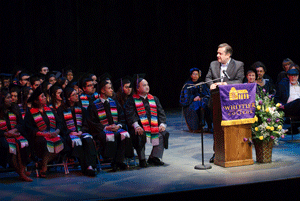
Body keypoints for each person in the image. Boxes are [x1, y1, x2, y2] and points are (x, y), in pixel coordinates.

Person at [205, 43, 244, 163]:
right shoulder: (213, 64)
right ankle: (217, 153)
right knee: (217, 129)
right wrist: (211, 84)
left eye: (220, 53)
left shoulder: (238, 65)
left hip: (231, 103)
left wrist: (226, 84)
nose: (217, 55)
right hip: (216, 102)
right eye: (217, 53)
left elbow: (239, 81)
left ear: (228, 55)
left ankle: (233, 152)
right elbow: (208, 78)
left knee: (231, 129)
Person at [125, 76, 168, 167]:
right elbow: (130, 114)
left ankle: (153, 157)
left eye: (147, 84)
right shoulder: (132, 100)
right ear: (137, 88)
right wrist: (136, 126)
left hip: (153, 126)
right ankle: (142, 159)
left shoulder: (154, 99)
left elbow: (161, 112)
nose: (147, 87)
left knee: (163, 133)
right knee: (140, 134)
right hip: (140, 127)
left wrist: (162, 124)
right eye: (144, 85)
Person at [87, 79, 130, 171]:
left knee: (124, 134)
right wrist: (106, 127)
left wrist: (118, 126)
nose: (112, 90)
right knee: (110, 136)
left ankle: (118, 161)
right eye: (109, 88)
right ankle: (111, 161)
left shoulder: (114, 102)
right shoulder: (94, 105)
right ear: (102, 90)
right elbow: (92, 123)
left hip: (115, 128)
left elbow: (122, 118)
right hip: (101, 131)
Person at [24, 86, 64, 178]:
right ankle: (44, 166)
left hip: (53, 134)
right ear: (36, 101)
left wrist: (57, 131)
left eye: (44, 96)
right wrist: (43, 134)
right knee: (45, 142)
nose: (45, 98)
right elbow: (29, 128)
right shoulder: (30, 113)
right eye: (42, 96)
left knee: (61, 140)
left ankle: (43, 163)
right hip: (39, 137)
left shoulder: (50, 110)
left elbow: (59, 123)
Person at [57, 87, 97, 176]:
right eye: (74, 95)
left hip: (80, 133)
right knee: (78, 142)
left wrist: (81, 131)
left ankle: (91, 166)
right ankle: (85, 168)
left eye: (77, 94)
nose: (77, 96)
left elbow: (86, 123)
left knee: (88, 140)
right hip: (69, 135)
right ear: (68, 98)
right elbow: (61, 125)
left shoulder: (81, 108)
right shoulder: (61, 110)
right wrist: (70, 132)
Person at [0, 90, 32, 182]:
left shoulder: (15, 108)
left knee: (23, 143)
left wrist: (14, 130)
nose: (11, 99)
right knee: (9, 147)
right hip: (2, 136)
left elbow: (21, 124)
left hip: (15, 134)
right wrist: (5, 133)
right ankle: (20, 172)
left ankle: (22, 171)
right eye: (8, 98)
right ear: (2, 100)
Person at [179, 68, 212, 132]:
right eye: (193, 74)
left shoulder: (202, 83)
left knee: (206, 104)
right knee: (196, 106)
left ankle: (209, 125)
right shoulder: (187, 85)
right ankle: (197, 126)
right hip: (191, 102)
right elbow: (185, 97)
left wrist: (200, 97)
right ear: (191, 75)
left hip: (201, 100)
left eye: (196, 74)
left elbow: (206, 93)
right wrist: (193, 98)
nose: (195, 76)